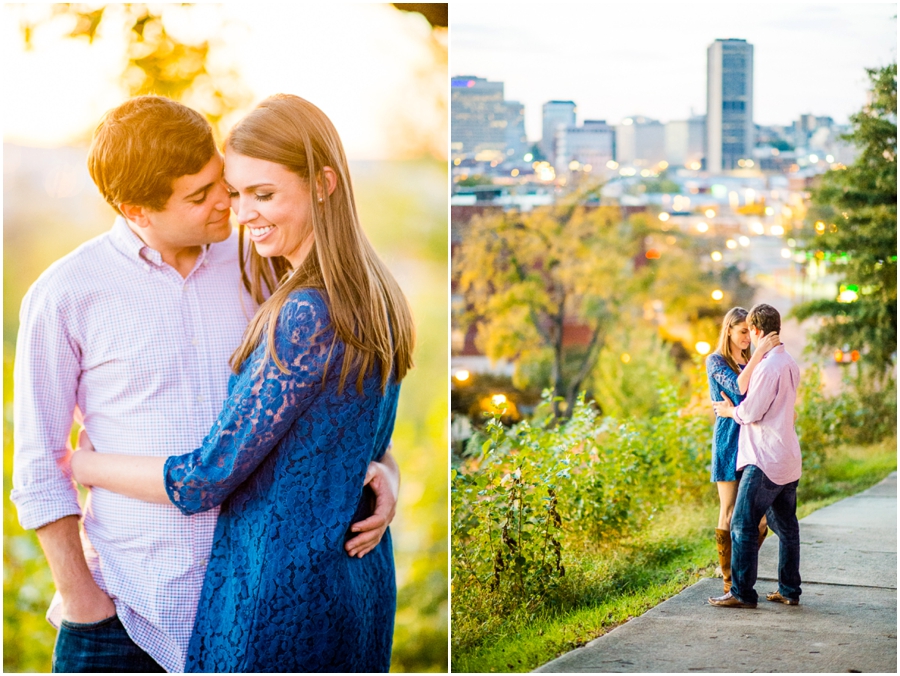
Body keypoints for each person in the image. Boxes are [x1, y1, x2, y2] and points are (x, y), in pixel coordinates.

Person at [11, 96, 399, 673]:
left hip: (251, 609)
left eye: (227, 183)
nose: (229, 205)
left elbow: (335, 399)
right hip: (125, 613)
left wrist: (383, 469)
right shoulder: (67, 292)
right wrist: (84, 604)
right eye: (203, 196)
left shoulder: (263, 262)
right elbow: (38, 468)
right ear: (136, 208)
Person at [708, 303, 802, 609]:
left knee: (743, 523)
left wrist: (728, 410)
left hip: (764, 457)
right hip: (783, 456)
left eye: (751, 330)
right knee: (786, 527)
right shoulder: (787, 362)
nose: (748, 336)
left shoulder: (765, 365)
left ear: (759, 331)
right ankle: (788, 589)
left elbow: (749, 409)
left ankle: (741, 592)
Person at [706, 307, 781, 592]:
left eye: (750, 332)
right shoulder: (715, 361)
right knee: (727, 509)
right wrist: (760, 355)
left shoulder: (751, 360)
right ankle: (729, 579)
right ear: (728, 331)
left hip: (754, 441)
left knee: (759, 519)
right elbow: (738, 388)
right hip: (729, 441)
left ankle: (738, 566)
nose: (748, 338)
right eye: (741, 332)